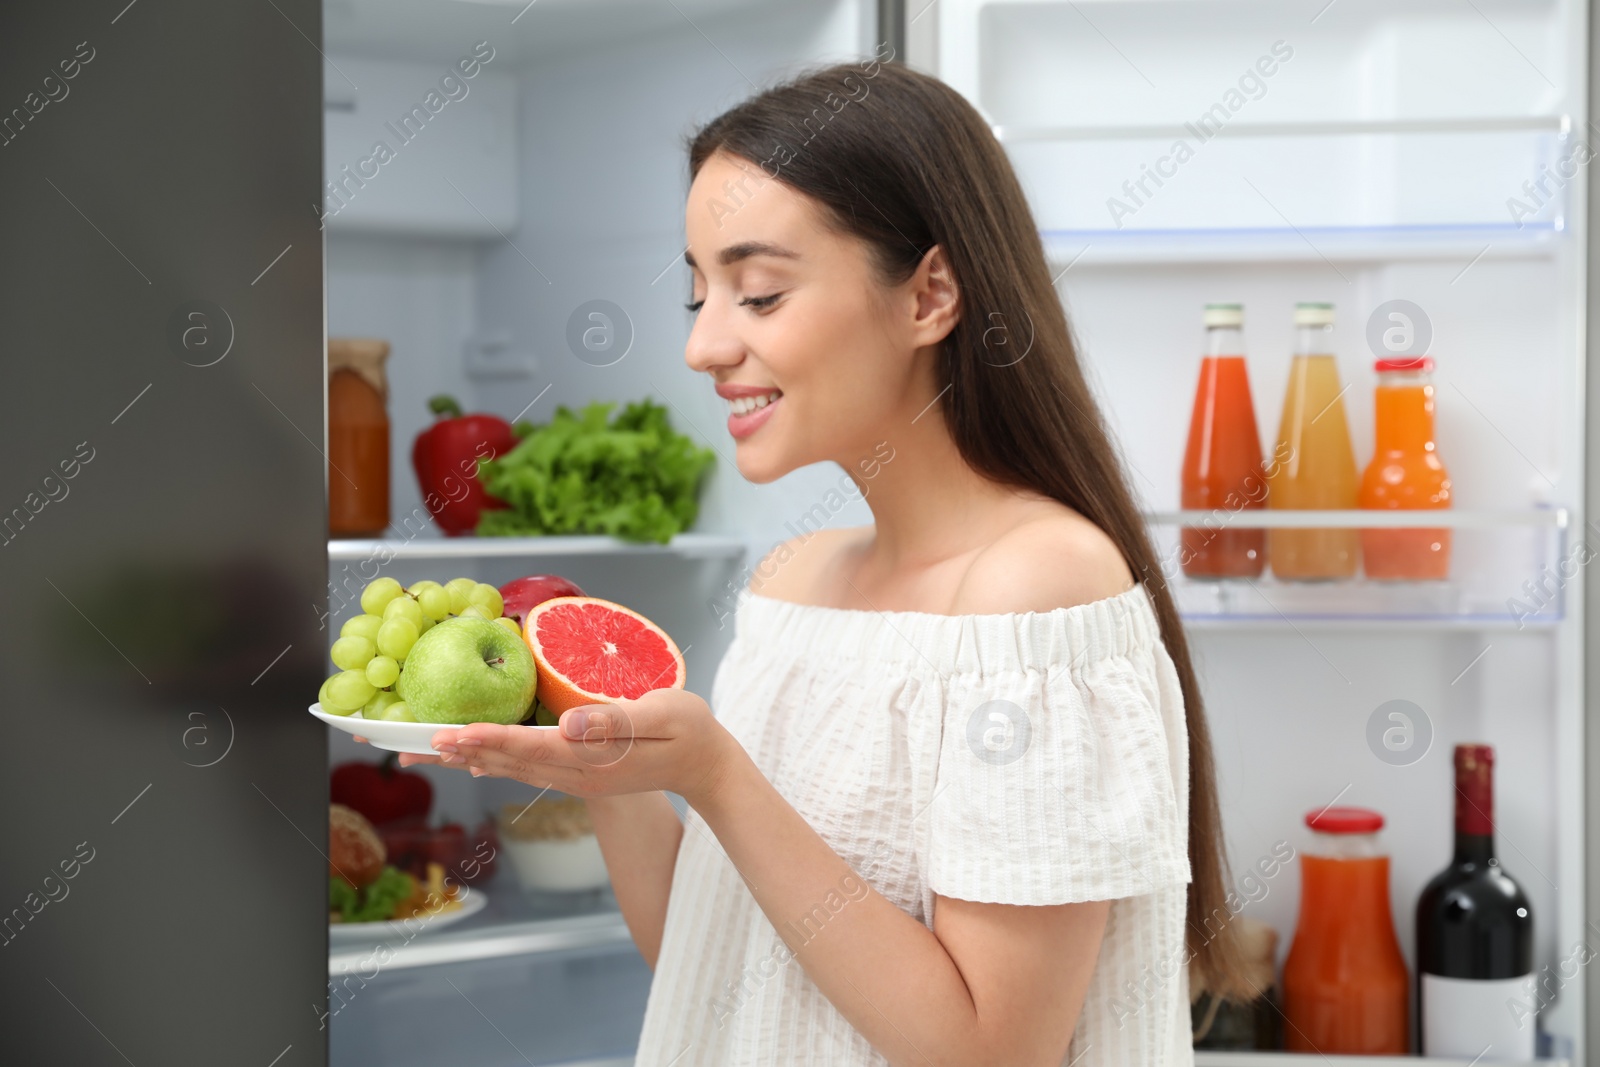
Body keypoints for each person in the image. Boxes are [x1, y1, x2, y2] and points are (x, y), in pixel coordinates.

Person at [399, 57, 1246, 1066]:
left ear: (930, 294)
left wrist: (717, 776)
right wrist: (611, 773)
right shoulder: (795, 582)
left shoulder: (1034, 585)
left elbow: (988, 1048)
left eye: (757, 292)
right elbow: (711, 958)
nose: (704, 345)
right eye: (698, 295)